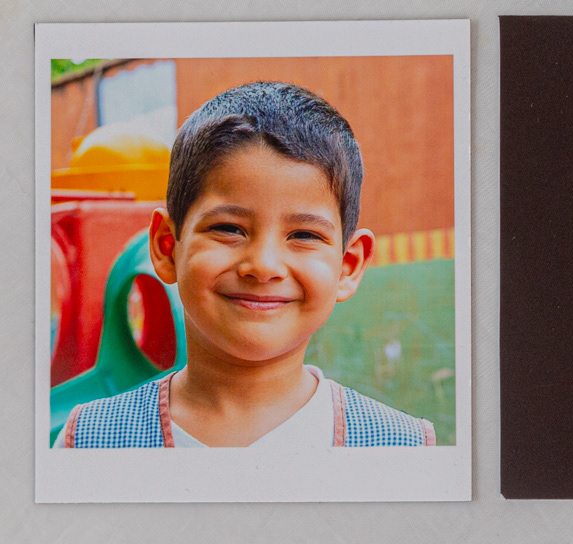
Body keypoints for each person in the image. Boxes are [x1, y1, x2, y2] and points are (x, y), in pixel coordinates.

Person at [56, 82, 435, 448]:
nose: (263, 265)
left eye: (303, 235)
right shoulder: (90, 440)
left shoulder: (400, 448)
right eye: (228, 228)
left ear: (348, 265)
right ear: (167, 245)